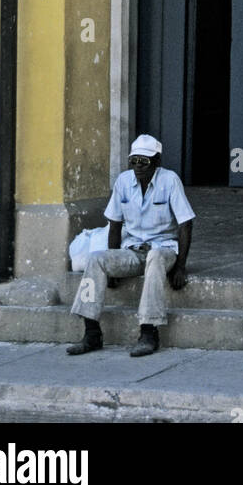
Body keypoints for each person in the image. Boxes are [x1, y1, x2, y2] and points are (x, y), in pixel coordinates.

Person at [67, 134, 195, 358]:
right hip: (133, 250)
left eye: (144, 161)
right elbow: (115, 225)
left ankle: (148, 331)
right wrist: (113, 259)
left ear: (157, 161)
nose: (138, 166)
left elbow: (186, 224)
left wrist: (181, 266)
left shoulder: (170, 180)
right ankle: (91, 332)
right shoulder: (123, 182)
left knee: (155, 257)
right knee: (96, 258)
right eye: (134, 161)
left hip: (164, 249)